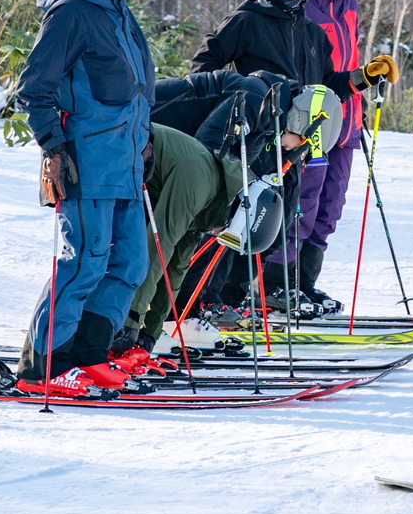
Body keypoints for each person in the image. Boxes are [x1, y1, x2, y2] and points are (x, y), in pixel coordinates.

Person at [189, 0, 397, 317]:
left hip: (294, 146)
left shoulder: (311, 32)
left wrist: (363, 77)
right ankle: (208, 300)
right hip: (252, 142)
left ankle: (242, 298)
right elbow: (204, 68)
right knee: (235, 221)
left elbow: (328, 83)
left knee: (272, 227)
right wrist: (235, 106)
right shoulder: (246, 21)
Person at [13, 0, 155, 397]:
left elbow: (135, 92)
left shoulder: (118, 12)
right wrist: (53, 146)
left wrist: (146, 142)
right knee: (84, 264)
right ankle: (43, 368)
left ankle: (89, 355)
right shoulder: (71, 12)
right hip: (87, 163)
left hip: (127, 165)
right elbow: (33, 89)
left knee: (131, 263)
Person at [115, 78, 342, 354]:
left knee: (177, 250)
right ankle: (116, 324)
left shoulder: (269, 118)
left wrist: (149, 332)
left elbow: (176, 266)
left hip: (159, 163)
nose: (294, 148)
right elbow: (209, 149)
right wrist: (134, 322)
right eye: (303, 140)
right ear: (300, 118)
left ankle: (153, 323)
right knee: (145, 243)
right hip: (130, 128)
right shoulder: (255, 101)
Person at [298, 0, 366, 313]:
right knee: (303, 206)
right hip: (317, 120)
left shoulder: (349, 3)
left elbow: (349, 57)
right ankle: (279, 286)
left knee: (330, 209)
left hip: (349, 122)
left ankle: (306, 284)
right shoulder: (305, 2)